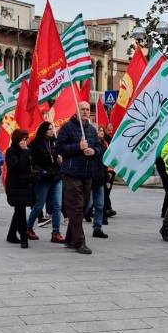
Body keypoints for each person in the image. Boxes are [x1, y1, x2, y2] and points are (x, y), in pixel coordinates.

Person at [57, 101, 104, 255]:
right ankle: (79, 242)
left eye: (87, 109)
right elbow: (59, 148)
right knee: (76, 207)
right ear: (77, 111)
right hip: (71, 173)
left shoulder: (91, 129)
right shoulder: (67, 128)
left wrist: (94, 151)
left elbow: (99, 147)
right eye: (82, 109)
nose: (85, 111)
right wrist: (78, 147)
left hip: (87, 173)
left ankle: (70, 238)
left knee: (83, 208)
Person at [26, 122, 64, 242]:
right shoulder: (35, 144)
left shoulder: (56, 142)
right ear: (43, 130)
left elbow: (61, 156)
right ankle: (28, 228)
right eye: (49, 129)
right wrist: (41, 171)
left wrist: (60, 160)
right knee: (39, 205)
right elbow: (32, 162)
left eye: (52, 128)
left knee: (57, 205)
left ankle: (56, 232)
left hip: (57, 177)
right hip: (44, 178)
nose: (52, 131)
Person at [5, 129, 35, 248]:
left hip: (25, 184)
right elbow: (18, 166)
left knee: (19, 210)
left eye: (26, 139)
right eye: (23, 139)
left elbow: (31, 164)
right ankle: (24, 238)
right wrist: (24, 152)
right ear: (17, 139)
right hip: (15, 185)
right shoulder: (11, 151)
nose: (25, 141)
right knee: (20, 211)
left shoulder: (28, 151)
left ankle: (11, 234)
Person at [85, 126, 110, 239]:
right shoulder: (89, 146)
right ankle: (75, 226)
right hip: (90, 179)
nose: (100, 133)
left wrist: (107, 179)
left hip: (100, 179)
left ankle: (97, 228)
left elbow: (105, 163)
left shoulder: (104, 146)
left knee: (100, 205)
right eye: (98, 131)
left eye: (101, 131)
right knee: (88, 204)